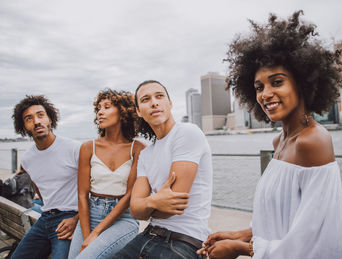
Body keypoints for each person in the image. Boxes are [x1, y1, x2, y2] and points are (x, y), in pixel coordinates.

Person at [198, 11, 342, 259]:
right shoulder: (279, 142)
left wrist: (240, 249)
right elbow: (279, 219)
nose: (265, 94)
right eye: (259, 87)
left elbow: (318, 243)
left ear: (302, 82)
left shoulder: (313, 142)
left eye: (277, 82)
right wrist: (239, 235)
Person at [113, 80, 213, 259]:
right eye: (145, 99)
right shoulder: (146, 153)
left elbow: (172, 206)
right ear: (138, 111)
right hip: (148, 235)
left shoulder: (187, 132)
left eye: (159, 96)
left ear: (170, 103)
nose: (154, 102)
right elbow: (135, 210)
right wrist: (154, 202)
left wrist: (147, 203)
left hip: (185, 242)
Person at [68, 89, 146, 259]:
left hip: (123, 218)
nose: (100, 112)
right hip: (90, 213)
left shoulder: (138, 149)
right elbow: (82, 194)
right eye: (98, 109)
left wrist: (96, 233)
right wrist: (88, 234)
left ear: (123, 112)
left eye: (107, 107)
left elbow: (130, 195)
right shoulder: (88, 147)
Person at [11, 95, 81, 259]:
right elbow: (40, 190)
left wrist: (77, 219)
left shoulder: (74, 148)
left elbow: (94, 189)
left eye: (40, 115)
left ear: (50, 119)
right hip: (46, 218)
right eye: (29, 118)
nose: (36, 121)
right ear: (24, 126)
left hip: (70, 218)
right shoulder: (27, 159)